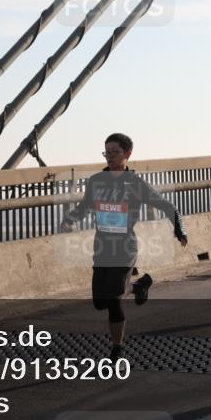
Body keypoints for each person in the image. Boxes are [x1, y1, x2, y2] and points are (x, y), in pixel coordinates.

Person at [60, 133, 188, 361]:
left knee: (113, 299)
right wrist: (70, 218)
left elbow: (168, 206)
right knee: (100, 302)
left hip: (125, 248)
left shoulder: (136, 185)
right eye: (106, 152)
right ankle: (139, 286)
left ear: (128, 154)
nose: (110, 157)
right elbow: (85, 206)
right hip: (102, 248)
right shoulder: (96, 181)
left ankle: (116, 349)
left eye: (115, 152)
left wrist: (180, 230)